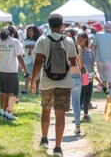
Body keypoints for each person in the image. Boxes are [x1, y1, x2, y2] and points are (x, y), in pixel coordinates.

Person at [30, 13, 77, 157]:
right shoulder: (69, 41)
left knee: (46, 110)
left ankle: (44, 139)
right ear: (62, 25)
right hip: (64, 82)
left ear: (49, 25)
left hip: (47, 81)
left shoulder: (43, 40)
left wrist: (32, 81)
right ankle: (57, 147)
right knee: (60, 115)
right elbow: (73, 63)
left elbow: (38, 62)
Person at [0, 26, 28, 120]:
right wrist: (26, 70)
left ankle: (2, 111)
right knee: (12, 93)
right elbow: (20, 57)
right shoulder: (15, 41)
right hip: (11, 70)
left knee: (3, 92)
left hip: (1, 69)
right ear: (13, 33)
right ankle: (9, 113)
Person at [91, 21, 111, 95]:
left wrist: (93, 58)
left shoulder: (97, 35)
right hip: (110, 62)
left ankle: (105, 93)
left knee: (103, 79)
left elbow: (93, 46)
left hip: (99, 61)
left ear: (104, 27)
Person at [78, 32, 95, 121]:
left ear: (85, 39)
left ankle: (86, 114)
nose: (79, 41)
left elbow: (92, 64)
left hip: (90, 76)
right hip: (81, 76)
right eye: (78, 39)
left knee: (88, 95)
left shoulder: (89, 51)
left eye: (80, 39)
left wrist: (93, 74)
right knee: (82, 95)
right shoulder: (77, 50)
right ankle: (78, 115)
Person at [22, 25, 40, 94]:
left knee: (37, 76)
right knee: (28, 75)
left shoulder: (38, 41)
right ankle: (25, 89)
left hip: (37, 61)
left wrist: (32, 46)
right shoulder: (26, 41)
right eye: (29, 31)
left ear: (35, 32)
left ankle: (37, 90)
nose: (30, 33)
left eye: (31, 31)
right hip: (28, 61)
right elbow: (23, 49)